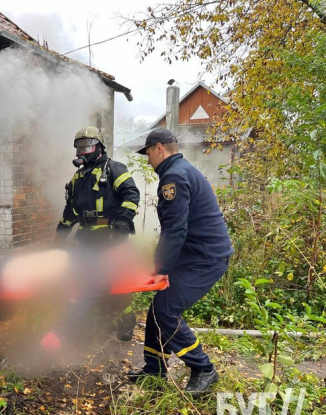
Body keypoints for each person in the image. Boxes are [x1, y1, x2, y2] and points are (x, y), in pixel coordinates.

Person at [128, 127, 233, 396]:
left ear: (159, 148)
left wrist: (161, 270)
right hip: (195, 255)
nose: (147, 159)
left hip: (206, 259)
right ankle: (155, 369)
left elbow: (175, 229)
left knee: (166, 310)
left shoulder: (173, 176)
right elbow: (176, 229)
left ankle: (203, 369)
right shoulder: (180, 170)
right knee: (158, 309)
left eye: (148, 153)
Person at [56, 126, 140, 341]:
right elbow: (71, 210)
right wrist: (62, 232)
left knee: (114, 283)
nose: (82, 152)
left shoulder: (114, 169)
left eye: (87, 146)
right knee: (84, 281)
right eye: (79, 147)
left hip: (110, 236)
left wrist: (122, 224)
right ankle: (91, 321)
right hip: (85, 238)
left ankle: (127, 320)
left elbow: (131, 194)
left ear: (99, 147)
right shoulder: (77, 178)